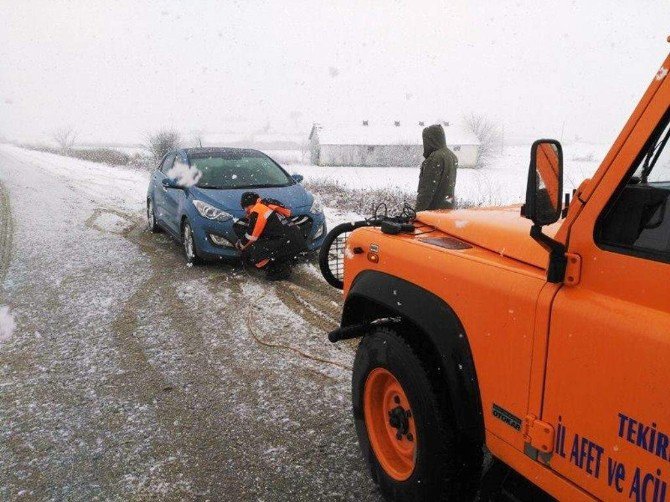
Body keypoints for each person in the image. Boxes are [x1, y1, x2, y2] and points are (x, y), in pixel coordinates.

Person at [234, 192, 306, 280]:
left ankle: (278, 269)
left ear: (247, 205)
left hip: (286, 242)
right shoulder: (267, 206)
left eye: (245, 208)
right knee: (270, 244)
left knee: (254, 251)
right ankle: (287, 260)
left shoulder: (258, 210)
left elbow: (251, 236)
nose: (246, 211)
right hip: (296, 240)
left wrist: (240, 245)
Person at [415, 124, 459, 211]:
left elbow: (427, 190)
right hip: (447, 209)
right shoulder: (451, 156)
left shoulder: (435, 158)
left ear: (430, 140)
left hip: (432, 211)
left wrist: (417, 213)